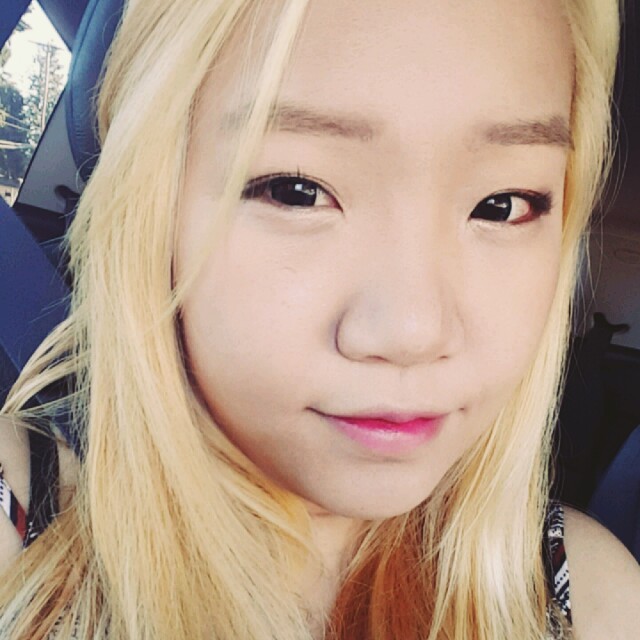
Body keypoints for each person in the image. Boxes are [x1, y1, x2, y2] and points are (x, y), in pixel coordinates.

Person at [0, 0, 638, 638]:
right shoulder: (20, 537)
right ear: (152, 205)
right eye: (296, 192)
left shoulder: (593, 597)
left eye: (502, 204)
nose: (414, 333)